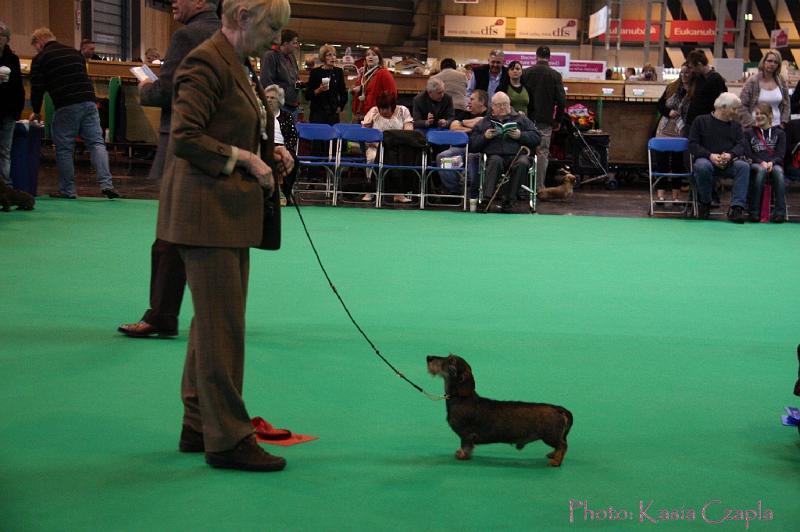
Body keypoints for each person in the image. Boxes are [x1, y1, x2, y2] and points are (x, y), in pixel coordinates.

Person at [157, 0, 294, 472]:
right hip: (205, 213)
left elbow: (236, 122)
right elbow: (186, 138)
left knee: (211, 325)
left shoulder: (239, 63)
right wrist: (244, 158)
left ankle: (197, 424)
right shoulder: (204, 60)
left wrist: (269, 149)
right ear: (240, 17)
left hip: (228, 214)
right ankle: (229, 440)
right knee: (224, 332)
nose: (275, 37)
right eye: (270, 26)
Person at [117, 0, 221, 339]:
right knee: (189, 238)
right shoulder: (225, 33)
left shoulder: (187, 35)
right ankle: (175, 313)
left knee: (170, 237)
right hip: (215, 145)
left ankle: (163, 315)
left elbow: (168, 91)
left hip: (184, 145)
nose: (173, 1)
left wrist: (147, 87)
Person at [28, 27, 119, 199]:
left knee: (64, 148)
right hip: (89, 102)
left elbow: (37, 88)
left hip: (66, 105)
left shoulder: (41, 58)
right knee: (97, 144)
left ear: (38, 43)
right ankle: (107, 184)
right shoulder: (75, 53)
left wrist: (35, 111)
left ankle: (67, 190)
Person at [470, 92, 540, 213]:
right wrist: (485, 137)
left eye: (505, 104)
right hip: (494, 155)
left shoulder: (521, 119)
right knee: (495, 161)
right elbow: (472, 145)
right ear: (492, 106)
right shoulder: (485, 121)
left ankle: (509, 200)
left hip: (517, 155)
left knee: (523, 162)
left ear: (510, 104)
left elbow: (537, 138)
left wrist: (520, 135)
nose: (503, 107)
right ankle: (486, 199)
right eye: (499, 105)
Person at [688, 92, 749, 223]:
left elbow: (742, 145)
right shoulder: (700, 121)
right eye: (734, 108)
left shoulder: (736, 126)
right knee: (702, 166)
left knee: (743, 167)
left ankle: (736, 208)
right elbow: (692, 145)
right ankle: (705, 202)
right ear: (723, 107)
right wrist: (710, 155)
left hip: (728, 162)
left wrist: (730, 155)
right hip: (706, 159)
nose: (736, 112)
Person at [521, 45, 566, 189]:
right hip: (545, 121)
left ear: (536, 56)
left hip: (526, 120)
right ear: (549, 58)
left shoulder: (526, 73)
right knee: (542, 153)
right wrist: (558, 120)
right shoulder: (555, 75)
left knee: (524, 151)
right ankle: (538, 187)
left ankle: (522, 186)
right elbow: (561, 100)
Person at [360, 90, 413, 203]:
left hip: (397, 148)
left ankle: (399, 193)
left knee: (401, 158)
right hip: (376, 146)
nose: (383, 111)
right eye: (381, 108)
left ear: (393, 106)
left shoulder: (403, 111)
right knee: (372, 158)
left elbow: (409, 133)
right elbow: (364, 134)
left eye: (386, 108)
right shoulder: (373, 112)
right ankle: (370, 190)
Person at [435, 89, 489, 199]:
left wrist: (462, 124)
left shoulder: (489, 115)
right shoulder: (463, 113)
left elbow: (482, 122)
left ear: (482, 102)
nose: (469, 102)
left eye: (472, 99)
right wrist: (471, 128)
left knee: (472, 157)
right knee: (443, 157)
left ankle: (473, 193)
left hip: (479, 151)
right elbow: (453, 127)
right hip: (460, 152)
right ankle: (455, 190)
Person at [654, 63, 693, 203]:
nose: (683, 75)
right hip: (665, 127)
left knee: (677, 163)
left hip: (681, 129)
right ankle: (660, 195)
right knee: (661, 162)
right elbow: (659, 105)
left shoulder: (695, 90)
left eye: (687, 73)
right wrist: (668, 111)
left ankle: (676, 196)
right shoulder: (671, 87)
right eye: (682, 73)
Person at [744, 102, 786, 223]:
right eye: (756, 113)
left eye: (762, 113)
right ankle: (754, 212)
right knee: (761, 171)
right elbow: (748, 153)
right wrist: (761, 162)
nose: (758, 116)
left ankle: (780, 213)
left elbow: (780, 154)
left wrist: (772, 162)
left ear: (770, 116)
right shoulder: (748, 133)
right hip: (756, 164)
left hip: (774, 164)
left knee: (779, 172)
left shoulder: (780, 133)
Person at [738, 49, 790, 129]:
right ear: (764, 62)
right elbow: (742, 105)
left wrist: (783, 122)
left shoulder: (781, 81)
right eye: (769, 61)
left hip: (777, 127)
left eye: (776, 62)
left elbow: (786, 103)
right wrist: (752, 123)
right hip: (755, 127)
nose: (772, 64)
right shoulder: (753, 81)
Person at [265, 83, 298, 202]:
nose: (269, 100)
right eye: (267, 97)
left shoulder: (287, 116)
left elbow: (293, 137)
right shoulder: (261, 115)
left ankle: (285, 192)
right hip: (266, 147)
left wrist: (286, 149)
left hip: (283, 147)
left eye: (272, 97)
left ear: (279, 100)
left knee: (292, 159)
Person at [0, 21, 24, 187]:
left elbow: (18, 87)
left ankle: (6, 186)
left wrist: (17, 112)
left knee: (5, 151)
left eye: (1, 36)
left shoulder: (13, 59)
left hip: (8, 111)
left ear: (7, 39)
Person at [259, 29, 300, 115]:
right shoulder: (270, 56)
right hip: (280, 105)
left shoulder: (291, 57)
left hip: (292, 103)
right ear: (285, 44)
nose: (297, 45)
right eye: (294, 43)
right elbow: (266, 81)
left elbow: (294, 77)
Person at [350, 46, 396, 122]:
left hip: (376, 116)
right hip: (360, 114)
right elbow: (360, 89)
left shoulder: (384, 73)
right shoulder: (363, 74)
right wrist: (355, 90)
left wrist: (383, 111)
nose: (370, 57)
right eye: (368, 55)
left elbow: (392, 94)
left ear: (379, 59)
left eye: (374, 55)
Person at [685, 49, 728, 130]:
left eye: (692, 67)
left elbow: (720, 104)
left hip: (707, 125)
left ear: (699, 64)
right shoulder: (699, 77)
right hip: (693, 123)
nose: (692, 70)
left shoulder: (716, 79)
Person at [305, 44, 347, 126]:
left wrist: (340, 107)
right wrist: (319, 90)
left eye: (334, 55)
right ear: (323, 57)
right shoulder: (315, 72)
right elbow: (307, 95)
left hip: (333, 113)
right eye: (329, 55)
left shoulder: (338, 72)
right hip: (317, 112)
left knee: (332, 137)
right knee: (318, 137)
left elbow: (343, 92)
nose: (333, 57)